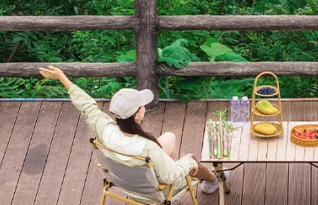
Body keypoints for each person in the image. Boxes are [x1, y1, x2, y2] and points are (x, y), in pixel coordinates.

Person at [39, 65, 218, 194]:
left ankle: (193, 182)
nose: (144, 107)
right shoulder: (147, 147)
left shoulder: (105, 130)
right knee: (191, 159)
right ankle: (212, 180)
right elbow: (170, 176)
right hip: (155, 191)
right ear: (136, 115)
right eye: (141, 105)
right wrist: (189, 163)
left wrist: (62, 78)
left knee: (169, 137)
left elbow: (86, 106)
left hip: (126, 184)